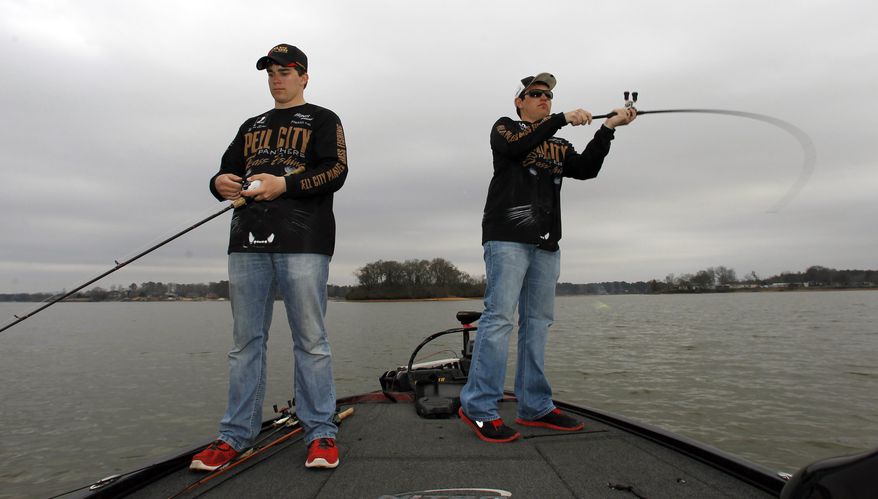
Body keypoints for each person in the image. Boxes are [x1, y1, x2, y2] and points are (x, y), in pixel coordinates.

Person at [190, 44, 348, 470]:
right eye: (271, 73)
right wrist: (219, 183)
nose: (277, 79)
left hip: (304, 241)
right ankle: (234, 436)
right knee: (245, 343)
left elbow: (336, 171)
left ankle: (320, 432)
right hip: (246, 241)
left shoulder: (322, 119)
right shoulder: (251, 125)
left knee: (311, 341)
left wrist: (285, 184)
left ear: (304, 77)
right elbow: (226, 172)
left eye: (285, 71)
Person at [458, 73, 636, 442]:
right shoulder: (505, 128)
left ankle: (534, 406)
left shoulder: (558, 144)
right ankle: (478, 408)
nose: (543, 99)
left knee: (537, 323)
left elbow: (587, 169)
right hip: (506, 239)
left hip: (546, 244)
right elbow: (514, 148)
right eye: (535, 94)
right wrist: (561, 119)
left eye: (549, 96)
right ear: (519, 102)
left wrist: (607, 129)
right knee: (499, 319)